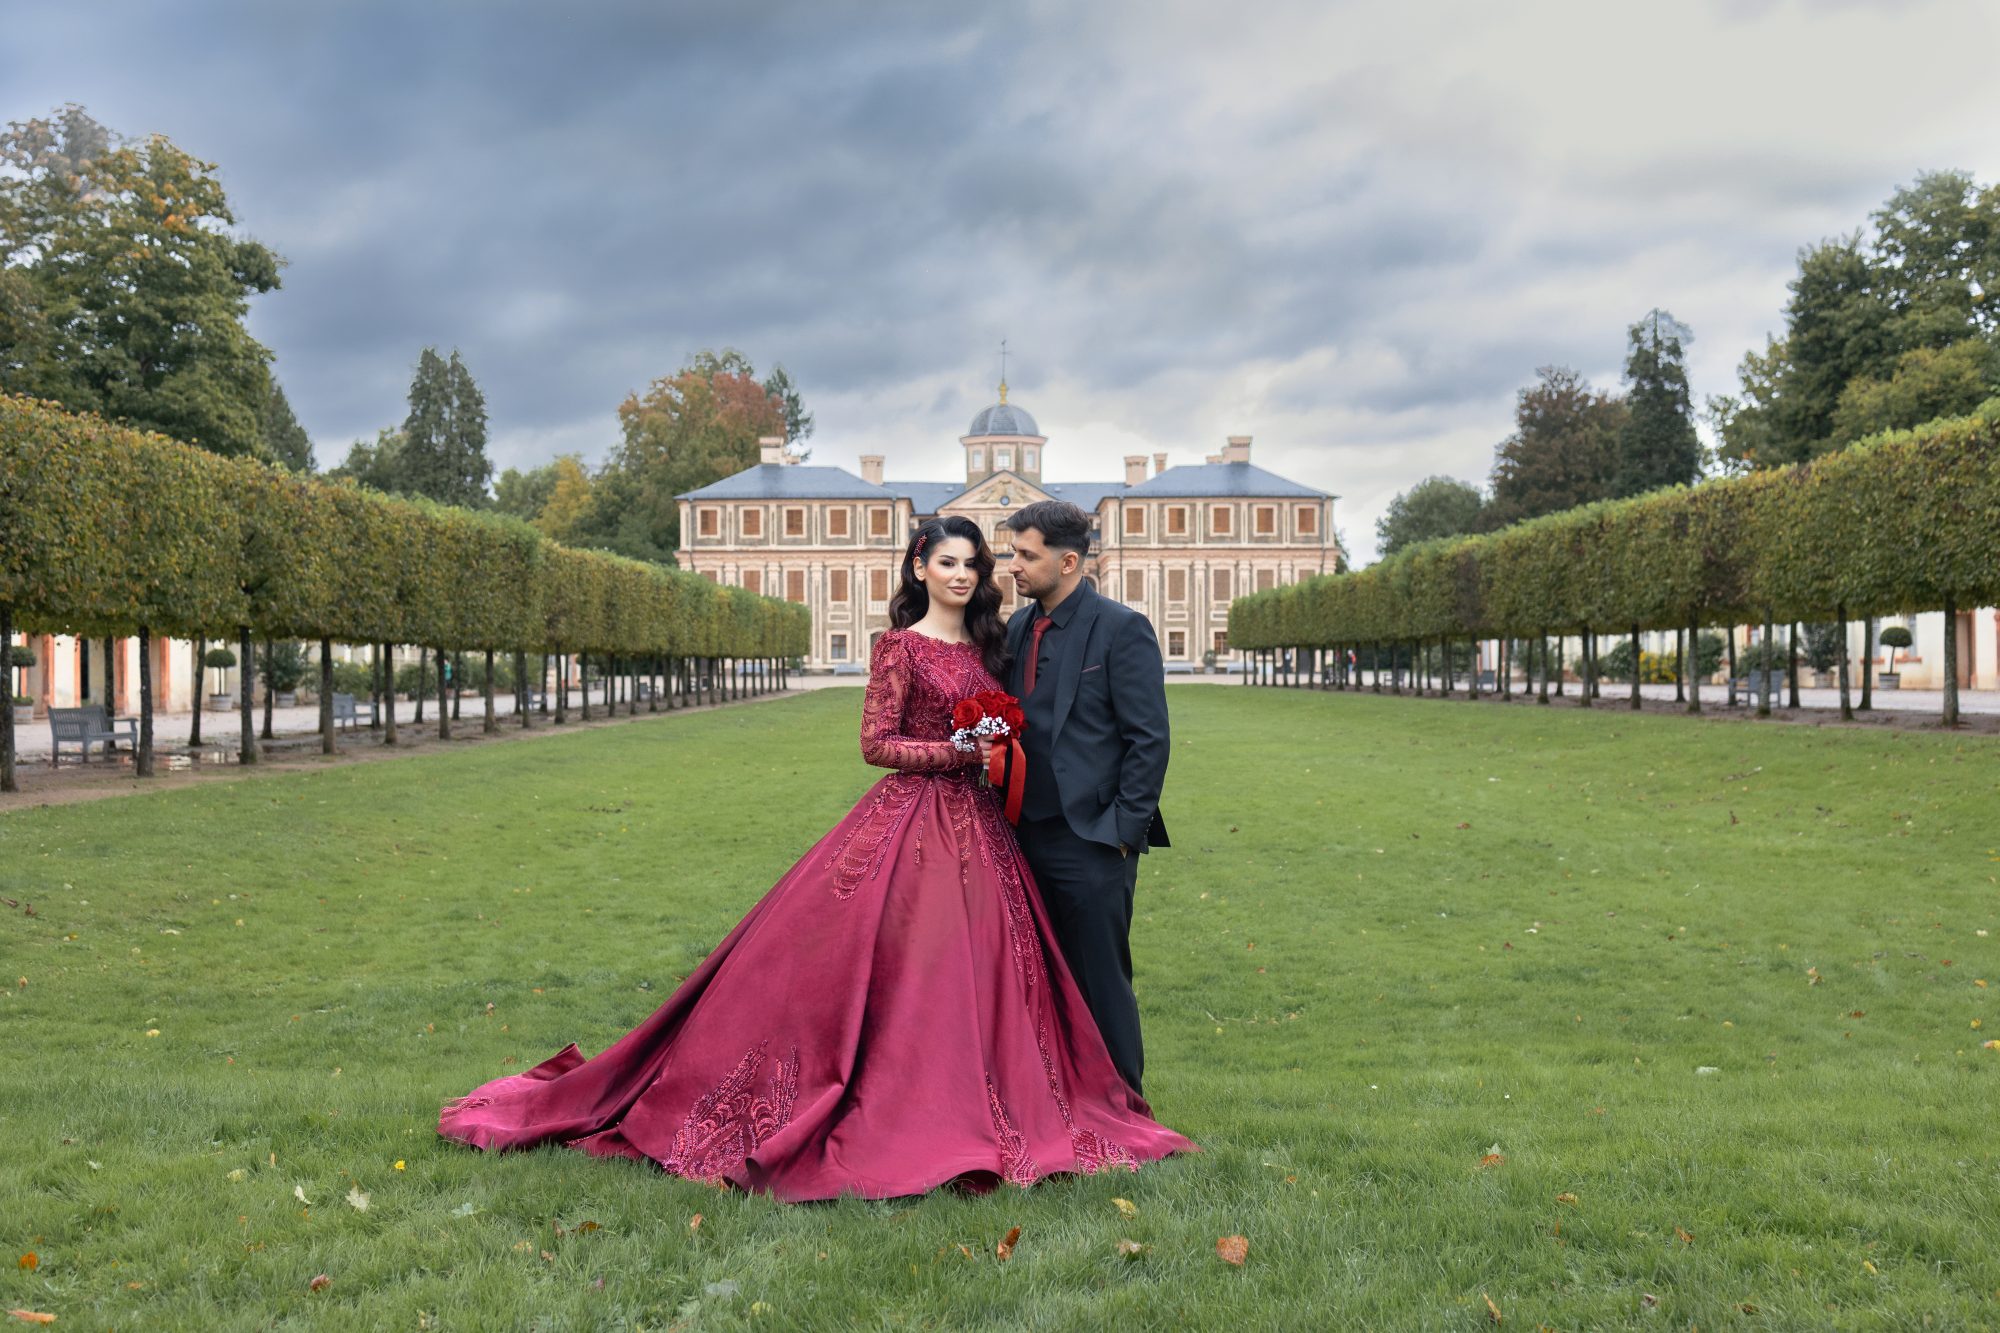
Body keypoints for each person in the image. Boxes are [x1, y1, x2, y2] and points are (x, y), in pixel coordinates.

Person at [439, 514, 1192, 1200]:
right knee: (909, 970)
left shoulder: (1011, 637)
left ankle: (1098, 1094)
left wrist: (1097, 815)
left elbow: (1115, 732)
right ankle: (923, 1098)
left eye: (984, 562)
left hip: (1005, 834)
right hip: (926, 822)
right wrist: (958, 749)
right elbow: (875, 743)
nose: (971, 575)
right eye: (953, 562)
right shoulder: (911, 643)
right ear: (919, 566)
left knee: (1034, 974)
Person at [1002, 501, 1170, 1097]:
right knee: (1037, 979)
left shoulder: (1122, 628)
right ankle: (1057, 1103)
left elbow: (1148, 740)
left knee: (1101, 981)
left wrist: (1122, 832)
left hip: (1094, 840)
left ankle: (1126, 1107)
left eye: (1026, 555)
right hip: (1019, 835)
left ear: (1068, 560)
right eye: (1012, 553)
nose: (1012, 566)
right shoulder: (1018, 629)